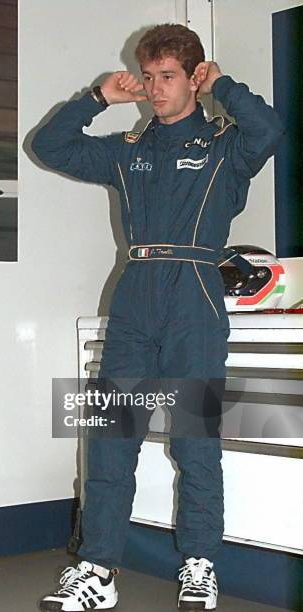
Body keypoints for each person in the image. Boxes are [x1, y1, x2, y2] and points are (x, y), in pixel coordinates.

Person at [32, 23, 284, 611]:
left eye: (167, 76)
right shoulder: (128, 151)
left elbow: (270, 129)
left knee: (195, 439)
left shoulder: (226, 144)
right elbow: (50, 147)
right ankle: (97, 569)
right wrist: (98, 98)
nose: (154, 88)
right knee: (110, 438)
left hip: (193, 297)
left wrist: (225, 85)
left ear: (194, 77)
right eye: (148, 77)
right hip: (135, 295)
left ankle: (199, 563)